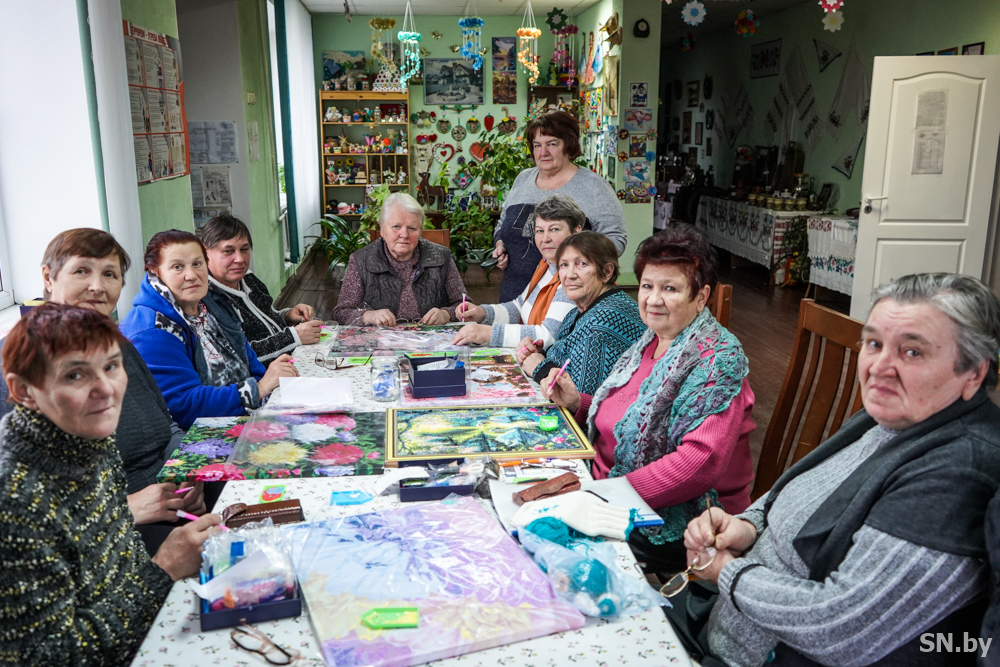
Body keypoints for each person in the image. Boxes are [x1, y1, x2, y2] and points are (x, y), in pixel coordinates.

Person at [679, 273, 1000, 667]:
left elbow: (840, 630)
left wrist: (726, 572)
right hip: (714, 628)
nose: (880, 367)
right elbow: (797, 494)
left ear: (974, 373)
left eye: (912, 352)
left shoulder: (958, 472)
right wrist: (747, 527)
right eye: (874, 344)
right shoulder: (893, 416)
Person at [0, 304, 221, 665]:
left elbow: (120, 568)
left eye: (111, 366)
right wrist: (164, 569)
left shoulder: (88, 440)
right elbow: (46, 657)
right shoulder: (16, 501)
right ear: (23, 391)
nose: (106, 389)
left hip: (138, 630)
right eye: (75, 375)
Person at [545, 224, 755, 572]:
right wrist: (577, 403)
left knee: (541, 542)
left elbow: (698, 465)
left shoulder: (717, 359)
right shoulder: (653, 339)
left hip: (684, 519)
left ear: (701, 296)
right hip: (609, 487)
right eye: (647, 286)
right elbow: (629, 414)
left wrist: (604, 495)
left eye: (670, 288)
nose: (653, 299)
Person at [0, 229, 208, 554]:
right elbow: (26, 509)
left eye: (110, 274)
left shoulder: (120, 347)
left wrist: (187, 474)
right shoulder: (19, 363)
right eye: (82, 271)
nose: (97, 286)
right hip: (104, 537)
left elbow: (167, 427)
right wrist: (126, 507)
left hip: (174, 501)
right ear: (48, 278)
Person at [120, 230, 298, 430]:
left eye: (197, 264)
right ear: (154, 271)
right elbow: (184, 406)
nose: (191, 275)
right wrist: (259, 388)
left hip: (245, 418)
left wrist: (266, 385)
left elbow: (249, 361)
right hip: (199, 435)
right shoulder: (152, 331)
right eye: (177, 267)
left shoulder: (213, 305)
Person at [492, 110, 626, 302]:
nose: (543, 152)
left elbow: (616, 238)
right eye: (537, 145)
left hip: (570, 299)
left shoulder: (593, 186)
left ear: (569, 146)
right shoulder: (523, 179)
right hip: (515, 297)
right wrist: (500, 245)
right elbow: (502, 224)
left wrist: (579, 264)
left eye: (552, 144)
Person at [514, 231, 645, 396]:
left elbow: (580, 397)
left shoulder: (604, 321)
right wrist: (538, 352)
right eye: (564, 265)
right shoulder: (581, 310)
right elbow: (569, 357)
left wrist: (540, 369)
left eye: (582, 264)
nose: (570, 275)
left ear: (606, 272)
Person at [452, 195, 583, 348]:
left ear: (576, 231)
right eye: (540, 231)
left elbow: (548, 336)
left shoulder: (576, 275)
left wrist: (488, 333)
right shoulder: (547, 265)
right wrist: (482, 313)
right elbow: (520, 307)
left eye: (554, 229)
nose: (545, 238)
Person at [202, 214, 323, 366]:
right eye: (228, 251)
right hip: (264, 377)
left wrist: (287, 316)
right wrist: (293, 337)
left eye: (244, 249)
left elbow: (269, 316)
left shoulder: (249, 279)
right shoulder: (208, 300)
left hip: (292, 361)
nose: (240, 259)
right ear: (205, 252)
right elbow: (238, 357)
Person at [332, 193, 468, 326]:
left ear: (420, 231)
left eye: (412, 228)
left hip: (431, 337)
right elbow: (341, 313)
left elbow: (464, 306)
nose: (404, 234)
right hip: (380, 339)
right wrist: (368, 316)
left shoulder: (441, 257)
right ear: (382, 228)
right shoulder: (361, 260)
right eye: (396, 226)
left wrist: (446, 314)